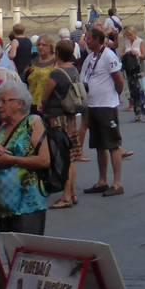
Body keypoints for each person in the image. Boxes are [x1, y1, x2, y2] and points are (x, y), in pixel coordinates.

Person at [0, 77, 50, 236]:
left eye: (3, 101)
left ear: (20, 103)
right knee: (11, 254)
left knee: (27, 254)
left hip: (28, 204)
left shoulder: (33, 122)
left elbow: (44, 160)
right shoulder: (3, 128)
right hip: (5, 205)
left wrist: (12, 160)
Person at [80, 24, 126, 196]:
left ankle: (117, 183)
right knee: (100, 145)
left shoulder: (108, 56)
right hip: (93, 105)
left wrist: (116, 95)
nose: (86, 40)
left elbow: (118, 80)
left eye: (89, 38)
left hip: (106, 105)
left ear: (98, 40)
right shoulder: (91, 57)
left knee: (113, 144)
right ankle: (102, 180)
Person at [41, 40, 84, 209]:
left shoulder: (56, 74)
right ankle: (71, 192)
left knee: (63, 157)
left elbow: (45, 96)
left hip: (57, 118)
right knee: (71, 157)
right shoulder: (74, 69)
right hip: (71, 118)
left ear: (57, 53)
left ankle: (66, 195)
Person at [120, 26, 145, 123]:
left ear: (134, 33)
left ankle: (144, 113)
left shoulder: (140, 41)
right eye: (127, 36)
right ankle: (137, 114)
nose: (129, 37)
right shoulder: (126, 42)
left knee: (140, 91)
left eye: (130, 35)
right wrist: (125, 54)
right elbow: (121, 54)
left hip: (138, 68)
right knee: (133, 92)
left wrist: (137, 54)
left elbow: (144, 55)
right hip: (129, 69)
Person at [27, 35, 59, 108]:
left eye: (44, 45)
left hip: (48, 104)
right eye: (38, 45)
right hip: (32, 102)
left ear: (51, 46)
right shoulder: (34, 60)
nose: (40, 47)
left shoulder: (56, 61)